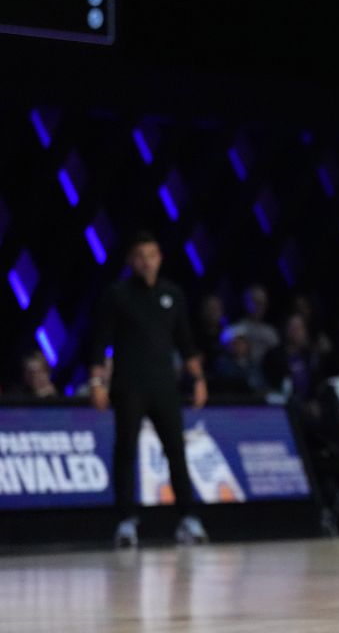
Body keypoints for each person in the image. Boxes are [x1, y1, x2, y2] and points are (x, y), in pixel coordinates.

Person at [87, 231, 208, 546]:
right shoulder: (117, 295)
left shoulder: (173, 294)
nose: (147, 262)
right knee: (126, 450)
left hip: (164, 386)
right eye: (140, 256)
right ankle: (126, 521)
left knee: (176, 451)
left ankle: (188, 519)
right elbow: (100, 342)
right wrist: (97, 382)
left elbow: (185, 341)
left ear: (160, 258)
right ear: (131, 261)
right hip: (128, 385)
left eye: (152, 255)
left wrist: (198, 380)